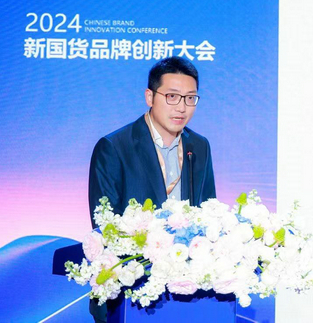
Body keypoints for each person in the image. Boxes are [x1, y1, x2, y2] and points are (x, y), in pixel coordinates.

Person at [87, 56, 217, 321]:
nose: (181, 107)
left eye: (190, 98)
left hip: (188, 294)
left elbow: (209, 213)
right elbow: (106, 228)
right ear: (150, 97)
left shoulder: (199, 146)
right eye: (172, 96)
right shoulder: (114, 147)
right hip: (131, 294)